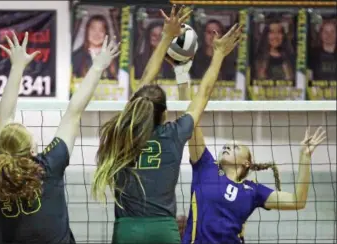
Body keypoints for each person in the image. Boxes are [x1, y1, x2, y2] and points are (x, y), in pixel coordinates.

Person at [91, 4, 242, 243]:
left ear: (136, 106)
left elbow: (144, 84)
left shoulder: (122, 131)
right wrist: (219, 55)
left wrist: (166, 37)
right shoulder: (174, 133)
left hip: (128, 229)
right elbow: (203, 93)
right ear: (164, 113)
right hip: (164, 230)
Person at [0, 32, 119, 244]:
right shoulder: (48, 166)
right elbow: (74, 111)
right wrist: (97, 66)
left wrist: (16, 66)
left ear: (1, 147)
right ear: (32, 151)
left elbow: (3, 117)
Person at [172, 56, 326, 244]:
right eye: (226, 145)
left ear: (247, 162)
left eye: (235, 147)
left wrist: (304, 157)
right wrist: (181, 78)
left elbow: (297, 201)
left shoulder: (253, 191)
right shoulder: (206, 167)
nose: (228, 146)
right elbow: (190, 118)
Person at [72, 15, 118, 80]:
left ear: (106, 34)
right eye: (93, 29)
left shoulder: (114, 57)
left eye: (101, 30)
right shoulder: (77, 56)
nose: (96, 34)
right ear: (87, 31)